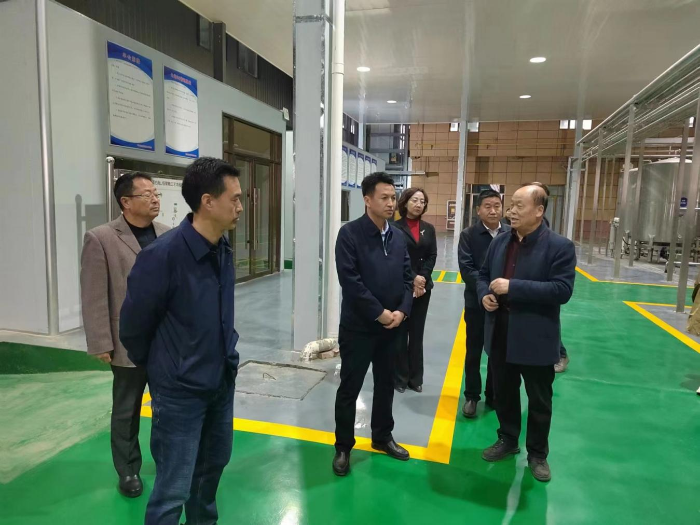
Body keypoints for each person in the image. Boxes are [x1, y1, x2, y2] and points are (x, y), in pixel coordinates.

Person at [120, 158, 243, 524]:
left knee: (209, 477)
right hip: (179, 393)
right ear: (208, 201)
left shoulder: (222, 248)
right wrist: (167, 369)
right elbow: (133, 327)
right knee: (173, 489)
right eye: (234, 199)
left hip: (220, 382)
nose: (240, 206)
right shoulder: (163, 256)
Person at [477, 184, 576, 482]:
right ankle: (507, 438)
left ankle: (537, 454)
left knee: (539, 400)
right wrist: (485, 295)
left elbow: (562, 290)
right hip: (501, 332)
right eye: (512, 205)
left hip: (535, 337)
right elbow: (483, 275)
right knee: (505, 393)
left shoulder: (559, 246)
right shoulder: (500, 241)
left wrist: (513, 287)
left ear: (539, 211)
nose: (511, 211)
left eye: (519, 205)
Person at [80, 172, 169, 498]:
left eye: (156, 193)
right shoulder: (101, 238)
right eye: (147, 194)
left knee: (167, 407)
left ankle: (168, 460)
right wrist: (100, 342)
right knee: (126, 410)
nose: (155, 199)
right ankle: (128, 469)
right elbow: (94, 295)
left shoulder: (168, 234)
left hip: (165, 343)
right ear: (126, 202)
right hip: (126, 342)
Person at [333, 172, 414, 476]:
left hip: (392, 328)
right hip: (359, 329)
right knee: (350, 387)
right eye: (385, 198)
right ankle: (343, 446)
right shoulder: (350, 235)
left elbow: (408, 278)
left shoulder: (398, 237)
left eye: (393, 197)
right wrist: (380, 313)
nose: (391, 203)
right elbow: (351, 282)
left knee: (386, 384)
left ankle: (382, 436)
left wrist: (401, 312)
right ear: (367, 200)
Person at [458, 189, 509, 418]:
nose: (493, 210)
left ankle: (493, 393)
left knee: (497, 351)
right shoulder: (468, 235)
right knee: (474, 350)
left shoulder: (510, 233)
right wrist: (485, 292)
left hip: (503, 303)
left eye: (497, 206)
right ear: (478, 210)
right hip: (476, 303)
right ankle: (472, 395)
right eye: (487, 206)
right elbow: (467, 269)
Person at [393, 188, 437, 393]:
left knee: (417, 333)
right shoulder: (394, 228)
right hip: (402, 287)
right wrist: (413, 279)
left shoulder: (429, 228)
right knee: (400, 333)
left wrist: (422, 278)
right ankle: (400, 378)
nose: (419, 204)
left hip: (422, 289)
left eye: (422, 201)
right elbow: (395, 256)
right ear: (405, 203)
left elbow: (432, 255)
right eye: (415, 200)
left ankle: (415, 379)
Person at [528, 181, 570, 374]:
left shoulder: (546, 232)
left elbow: (562, 289)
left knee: (547, 322)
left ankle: (560, 354)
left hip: (541, 287)